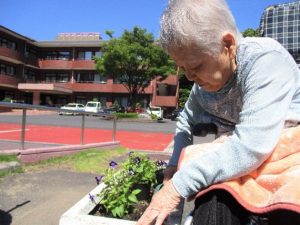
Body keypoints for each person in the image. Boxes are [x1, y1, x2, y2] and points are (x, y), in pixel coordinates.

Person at [137, 0, 300, 225]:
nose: (190, 77)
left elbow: (251, 147)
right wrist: (174, 165)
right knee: (213, 203)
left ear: (228, 44)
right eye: (183, 68)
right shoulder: (202, 88)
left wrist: (177, 186)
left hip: (287, 157)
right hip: (242, 165)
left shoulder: (264, 60)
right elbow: (185, 121)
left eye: (195, 66)